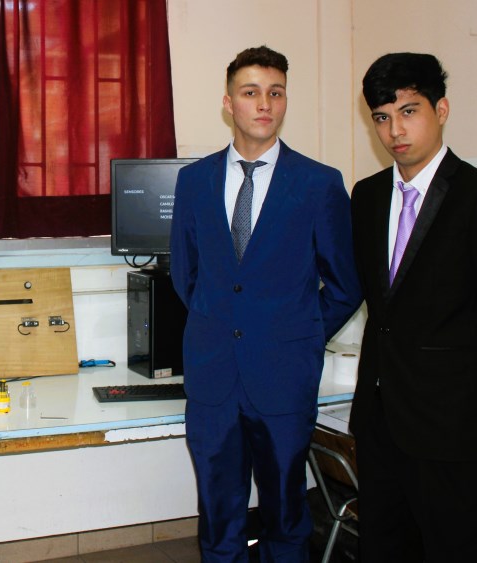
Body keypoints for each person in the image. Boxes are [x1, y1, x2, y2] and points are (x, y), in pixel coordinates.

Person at [170, 46, 362, 561]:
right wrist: (222, 324)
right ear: (228, 102)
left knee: (286, 516)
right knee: (219, 518)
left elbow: (345, 284)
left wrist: (299, 334)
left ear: (285, 101)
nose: (264, 104)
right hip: (213, 377)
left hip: (283, 377)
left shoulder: (318, 183)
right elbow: (186, 275)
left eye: (275, 93)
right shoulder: (194, 182)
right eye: (251, 92)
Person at [350, 52, 477, 561]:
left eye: (409, 111)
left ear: (441, 110)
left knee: (456, 549)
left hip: (452, 427)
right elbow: (381, 308)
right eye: (382, 117)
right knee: (382, 547)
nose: (395, 130)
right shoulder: (367, 197)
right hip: (379, 420)